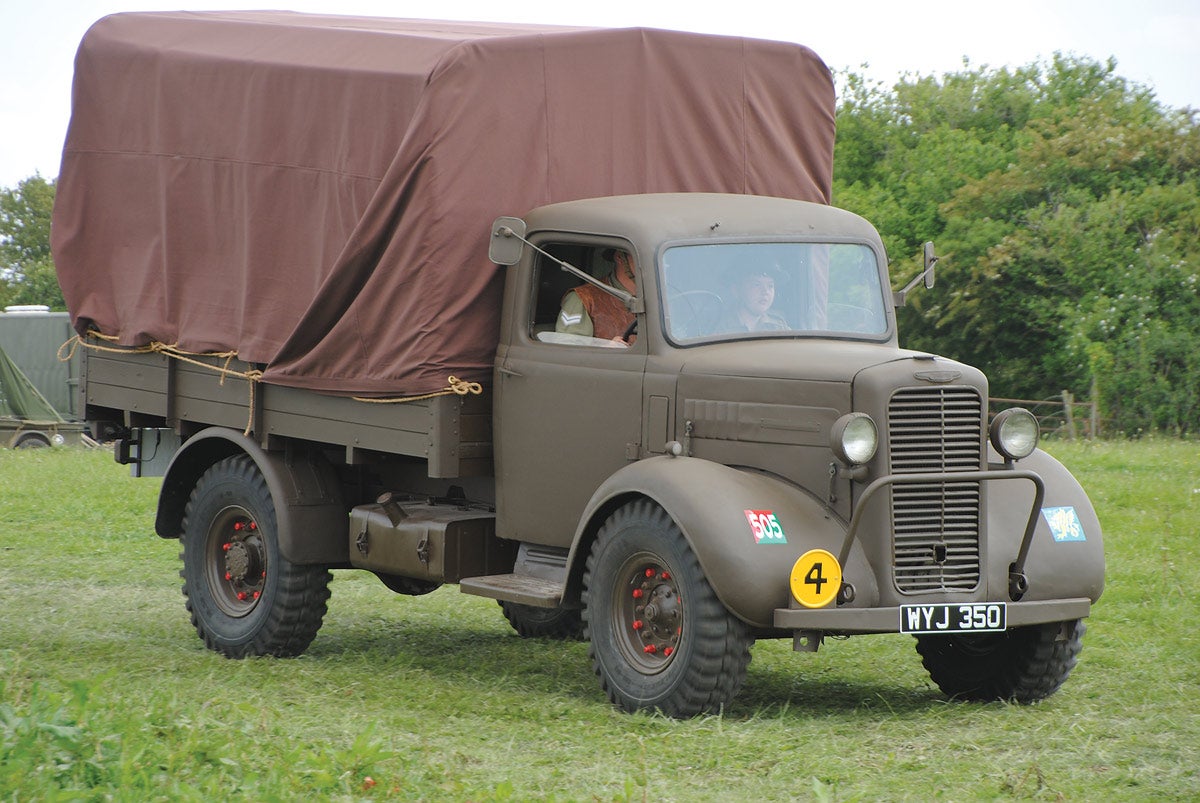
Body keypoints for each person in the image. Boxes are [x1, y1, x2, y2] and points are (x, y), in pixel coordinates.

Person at [556, 249, 637, 345]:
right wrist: (606, 349)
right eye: (640, 257)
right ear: (619, 257)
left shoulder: (657, 298)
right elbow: (569, 352)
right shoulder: (583, 298)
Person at [717, 264, 788, 333]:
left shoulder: (779, 326)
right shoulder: (719, 326)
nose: (765, 292)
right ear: (736, 290)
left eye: (770, 286)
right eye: (757, 285)